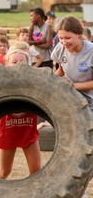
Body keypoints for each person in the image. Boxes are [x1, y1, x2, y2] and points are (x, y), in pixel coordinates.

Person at [51, 15, 93, 198]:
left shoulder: (91, 51)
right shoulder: (60, 49)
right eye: (61, 38)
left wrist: (72, 86)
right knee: (72, 146)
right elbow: (60, 71)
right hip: (71, 101)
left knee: (88, 149)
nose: (64, 42)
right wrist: (53, 82)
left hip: (90, 104)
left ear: (79, 35)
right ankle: (79, 192)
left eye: (68, 38)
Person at [0, 48, 41, 179]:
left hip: (28, 128)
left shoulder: (35, 82)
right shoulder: (0, 83)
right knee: (5, 171)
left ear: (28, 64)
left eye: (22, 61)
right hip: (9, 129)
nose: (18, 64)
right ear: (7, 63)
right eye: (14, 61)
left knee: (36, 170)